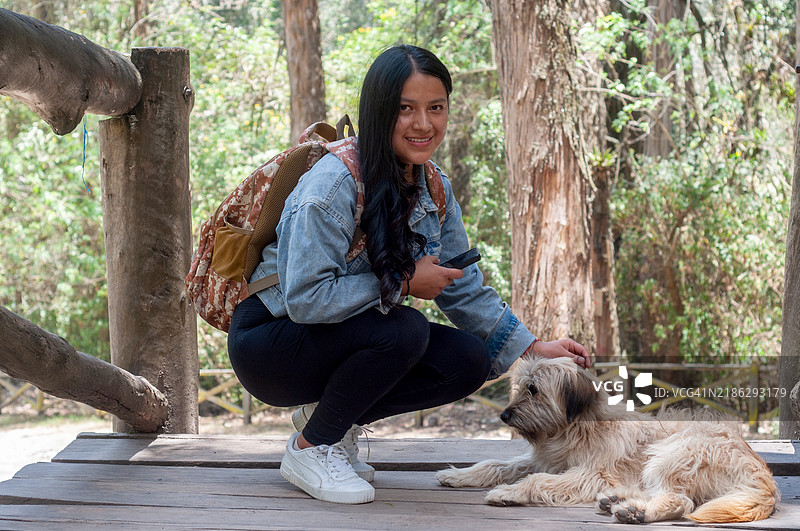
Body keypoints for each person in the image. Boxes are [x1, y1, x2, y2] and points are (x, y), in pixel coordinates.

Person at [227, 44, 590, 505]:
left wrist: (533, 347)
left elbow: (461, 284)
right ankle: (311, 448)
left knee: (468, 360)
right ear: (380, 113)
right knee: (405, 329)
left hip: (333, 338)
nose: (424, 124)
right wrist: (400, 282)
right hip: (270, 344)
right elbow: (304, 299)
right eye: (406, 109)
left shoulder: (432, 186)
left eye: (435, 108)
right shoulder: (330, 186)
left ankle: (329, 424)